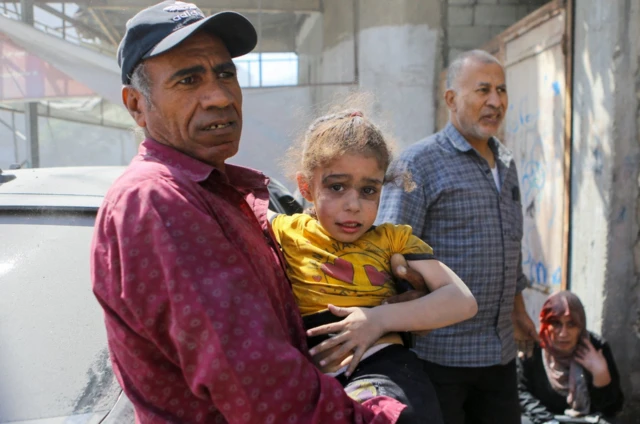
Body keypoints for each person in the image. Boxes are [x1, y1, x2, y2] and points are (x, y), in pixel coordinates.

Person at [90, 2, 424, 422]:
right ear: (137, 105)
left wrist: (380, 302)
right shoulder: (158, 200)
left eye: (225, 73)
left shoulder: (222, 194)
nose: (219, 96)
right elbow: (261, 387)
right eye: (188, 79)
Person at [268, 106, 478, 423]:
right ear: (306, 186)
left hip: (384, 368)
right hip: (316, 376)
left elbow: (462, 300)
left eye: (369, 190)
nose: (353, 205)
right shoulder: (286, 231)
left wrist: (377, 319)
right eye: (336, 186)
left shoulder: (392, 240)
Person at [376, 49, 539, 424]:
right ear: (451, 99)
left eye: (501, 90)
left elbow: (510, 244)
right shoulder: (418, 163)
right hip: (439, 356)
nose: (495, 101)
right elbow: (387, 252)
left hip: (499, 354)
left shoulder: (507, 164)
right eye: (483, 90)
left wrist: (517, 312)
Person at [518, 291, 624, 424]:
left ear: (581, 326)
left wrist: (600, 375)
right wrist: (547, 420)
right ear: (545, 324)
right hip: (543, 419)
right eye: (556, 324)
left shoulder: (595, 348)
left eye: (571, 324)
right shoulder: (533, 347)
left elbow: (612, 410)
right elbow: (520, 393)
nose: (563, 333)